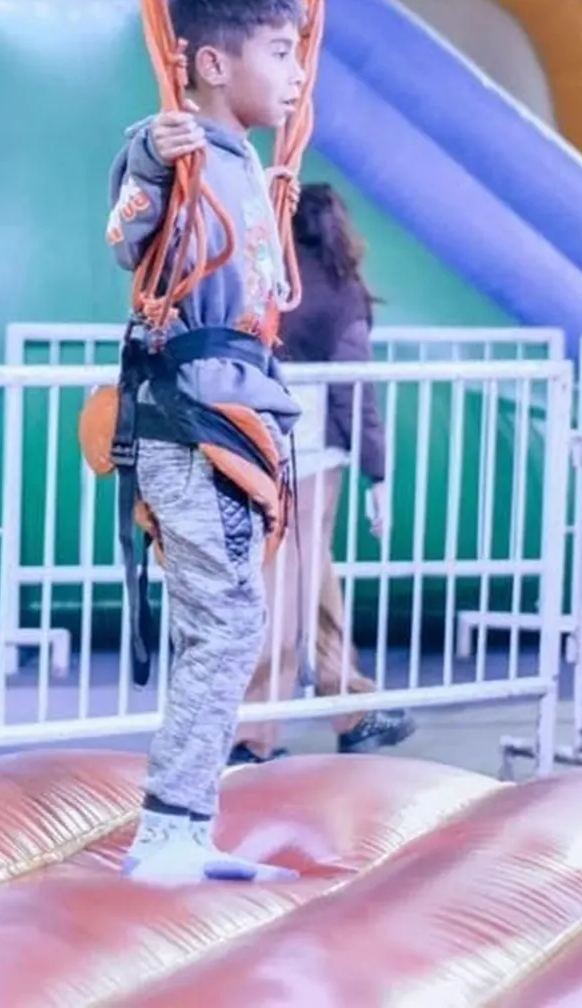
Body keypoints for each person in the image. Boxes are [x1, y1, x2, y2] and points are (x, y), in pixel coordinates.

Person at [104, 0, 306, 885]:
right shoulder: (180, 150)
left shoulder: (248, 166)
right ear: (214, 63)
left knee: (229, 619)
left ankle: (186, 822)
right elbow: (127, 230)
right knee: (226, 621)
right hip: (186, 425)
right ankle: (170, 829)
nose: (298, 73)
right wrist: (149, 153)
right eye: (279, 52)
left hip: (233, 419)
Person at [231, 183, 416, 764]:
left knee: (310, 573)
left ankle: (353, 706)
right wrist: (377, 471)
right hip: (311, 456)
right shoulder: (341, 292)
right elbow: (353, 392)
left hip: (254, 444)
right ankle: (253, 734)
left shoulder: (261, 284)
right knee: (287, 585)